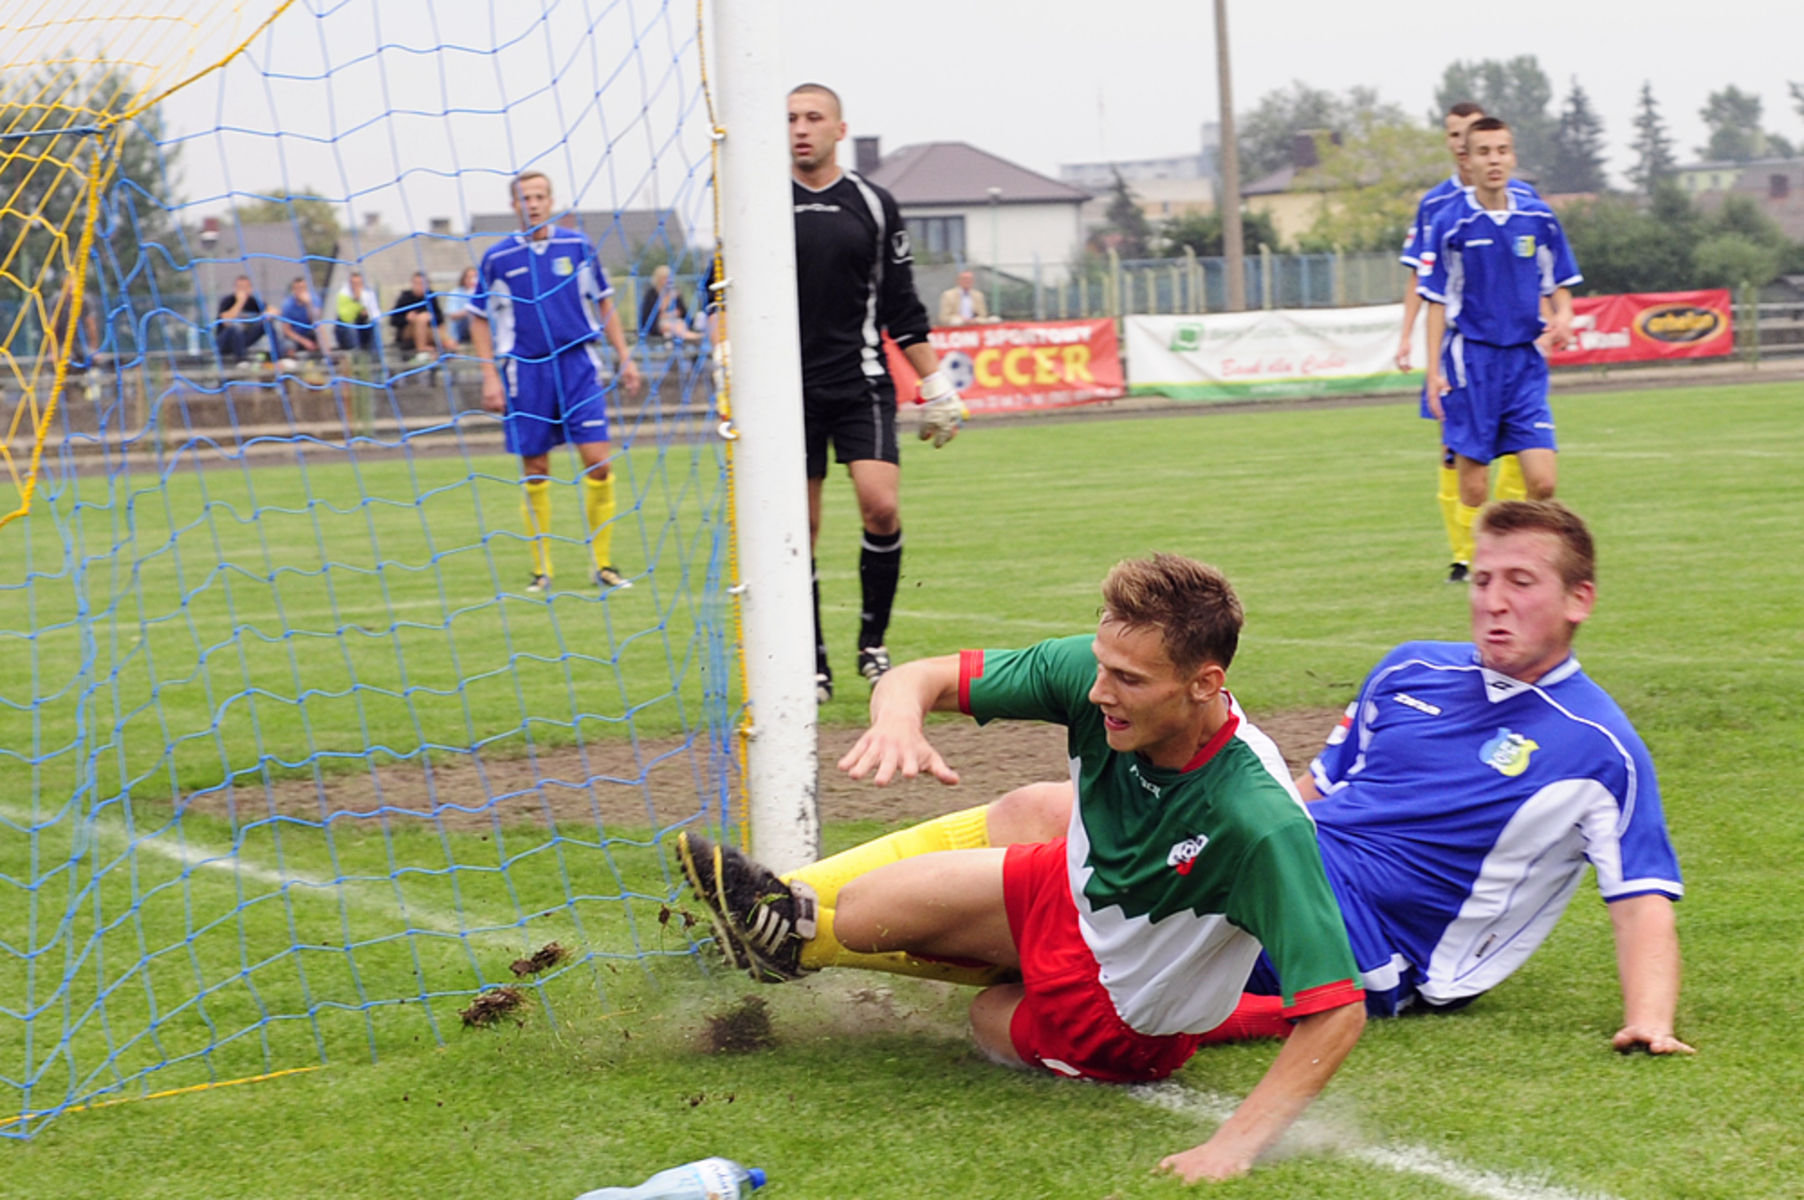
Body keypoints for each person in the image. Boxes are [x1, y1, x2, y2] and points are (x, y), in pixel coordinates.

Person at [867, 502, 1690, 1054]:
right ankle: (818, 919)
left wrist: (1648, 1022)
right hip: (1296, 865)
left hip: (1371, 940)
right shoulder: (1409, 671)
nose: (1494, 602)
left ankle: (813, 926)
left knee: (1055, 912)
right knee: (1035, 809)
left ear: (1579, 599)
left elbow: (1641, 890)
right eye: (1482, 579)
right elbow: (1307, 797)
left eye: (1522, 583)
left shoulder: (1597, 745)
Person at [678, 553, 1366, 1183]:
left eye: (1128, 679)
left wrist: (1233, 1145)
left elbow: (1337, 1012)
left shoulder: (1258, 821)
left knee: (988, 1015)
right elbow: (922, 677)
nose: (1100, 692)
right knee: (862, 913)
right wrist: (897, 719)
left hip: (1113, 1017)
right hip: (1070, 895)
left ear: (1204, 684)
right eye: (1101, 666)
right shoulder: (1100, 676)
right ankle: (795, 936)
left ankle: (793, 937)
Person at [787, 82, 966, 703]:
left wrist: (936, 383)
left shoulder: (874, 202)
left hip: (859, 380)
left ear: (839, 129)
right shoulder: (757, 204)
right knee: (796, 528)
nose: (800, 128)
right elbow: (720, 293)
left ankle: (871, 644)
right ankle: (810, 662)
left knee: (880, 506)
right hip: (784, 394)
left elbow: (901, 306)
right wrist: (728, 361)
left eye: (813, 117)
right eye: (790, 119)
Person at [467, 170, 644, 594]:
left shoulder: (577, 246)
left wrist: (625, 356)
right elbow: (477, 316)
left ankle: (602, 565)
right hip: (525, 369)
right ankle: (541, 570)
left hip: (577, 365)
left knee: (599, 463)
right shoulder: (497, 257)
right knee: (536, 468)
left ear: (551, 201)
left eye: (540, 196)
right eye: (524, 197)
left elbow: (604, 302)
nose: (533, 203)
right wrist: (489, 374)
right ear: (514, 205)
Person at [1397, 102, 1537, 584]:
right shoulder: (1436, 205)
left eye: (1469, 135)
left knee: (1522, 450)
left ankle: (1508, 542)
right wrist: (1407, 337)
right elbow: (1423, 278)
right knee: (1454, 450)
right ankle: (1465, 552)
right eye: (1454, 135)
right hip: (1460, 351)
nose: (1461, 144)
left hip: (1512, 350)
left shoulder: (1522, 199)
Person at [1421, 118, 1579, 527]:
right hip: (1471, 361)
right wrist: (1433, 372)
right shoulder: (1450, 223)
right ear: (1468, 161)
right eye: (1484, 152)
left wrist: (1563, 317)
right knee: (1474, 491)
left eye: (1502, 151)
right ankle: (1482, 568)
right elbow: (1436, 301)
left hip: (1524, 363)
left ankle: (1525, 556)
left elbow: (1558, 283)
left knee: (1543, 482)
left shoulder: (1538, 218)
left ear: (1513, 157)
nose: (1494, 160)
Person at [389, 271, 451, 362]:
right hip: (409, 332)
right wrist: (406, 318)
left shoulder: (431, 297)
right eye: (416, 283)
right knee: (421, 319)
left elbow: (440, 319)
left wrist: (430, 317)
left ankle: (450, 348)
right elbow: (393, 320)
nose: (419, 286)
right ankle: (421, 348)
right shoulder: (405, 297)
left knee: (435, 327)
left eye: (422, 283)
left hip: (428, 331)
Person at [636, 264, 701, 346]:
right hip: (657, 325)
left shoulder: (674, 292)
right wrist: (667, 301)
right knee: (673, 326)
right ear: (658, 279)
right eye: (665, 278)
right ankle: (694, 338)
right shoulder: (652, 294)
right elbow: (652, 315)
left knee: (680, 324)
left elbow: (682, 312)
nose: (668, 280)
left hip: (675, 321)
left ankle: (691, 337)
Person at [214, 274, 268, 364]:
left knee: (266, 324)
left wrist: (265, 315)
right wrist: (240, 302)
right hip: (225, 342)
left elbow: (274, 311)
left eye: (245, 287)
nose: (242, 290)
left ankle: (279, 357)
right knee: (235, 327)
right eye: (240, 287)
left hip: (243, 340)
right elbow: (226, 322)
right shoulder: (228, 301)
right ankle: (241, 360)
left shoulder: (253, 302)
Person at [274, 276, 323, 360]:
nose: (300, 291)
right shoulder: (287, 305)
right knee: (288, 345)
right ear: (293, 290)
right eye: (298, 289)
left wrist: (308, 304)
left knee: (321, 331)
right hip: (295, 336)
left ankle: (324, 358)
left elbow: (317, 320)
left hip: (310, 333)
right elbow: (286, 330)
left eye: (303, 288)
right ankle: (293, 366)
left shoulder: (314, 300)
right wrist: (304, 341)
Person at [333, 271, 381, 355]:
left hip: (363, 324)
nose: (356, 286)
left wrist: (367, 313)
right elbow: (345, 317)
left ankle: (375, 358)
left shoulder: (368, 294)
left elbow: (376, 314)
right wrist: (357, 302)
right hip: (345, 327)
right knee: (351, 328)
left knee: (375, 327)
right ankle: (357, 357)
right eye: (353, 283)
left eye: (358, 283)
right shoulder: (343, 295)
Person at [443, 265, 479, 348]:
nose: (472, 280)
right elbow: (452, 315)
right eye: (469, 277)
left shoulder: (483, 293)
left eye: (475, 277)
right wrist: (469, 310)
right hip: (460, 329)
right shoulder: (456, 293)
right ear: (464, 279)